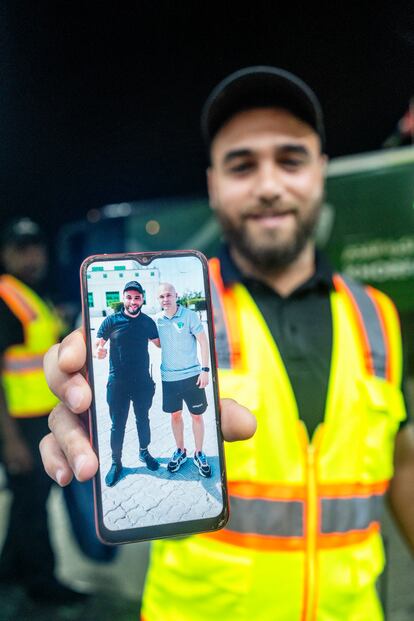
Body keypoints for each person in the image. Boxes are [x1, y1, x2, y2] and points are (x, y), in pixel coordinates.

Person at [39, 66, 414, 621]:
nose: (268, 184)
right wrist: (81, 411)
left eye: (291, 159)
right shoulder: (182, 300)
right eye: (242, 165)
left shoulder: (378, 316)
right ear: (213, 184)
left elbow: (400, 458)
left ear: (321, 172)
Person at [0, 218, 86, 604]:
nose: (32, 256)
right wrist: (11, 441)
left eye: (36, 246)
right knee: (33, 506)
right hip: (20, 425)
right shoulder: (6, 298)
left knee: (29, 504)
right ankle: (42, 583)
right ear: (5, 253)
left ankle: (10, 571)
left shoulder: (34, 295)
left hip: (41, 419)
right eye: (21, 248)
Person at [95, 280, 161, 487]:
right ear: (123, 298)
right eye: (129, 297)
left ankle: (144, 452)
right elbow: (99, 343)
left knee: (143, 419)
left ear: (142, 299)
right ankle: (116, 463)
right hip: (118, 384)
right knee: (117, 425)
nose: (133, 301)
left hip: (142, 382)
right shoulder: (111, 321)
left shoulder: (148, 322)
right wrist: (99, 351)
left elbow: (159, 343)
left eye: (137, 297)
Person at [156, 282, 211, 477]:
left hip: (192, 376)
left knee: (196, 416)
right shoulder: (158, 320)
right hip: (169, 378)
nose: (166, 299)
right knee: (175, 415)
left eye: (169, 295)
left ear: (176, 295)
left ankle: (199, 453)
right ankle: (180, 451)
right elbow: (158, 344)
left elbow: (204, 342)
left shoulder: (189, 316)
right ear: (158, 299)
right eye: (162, 296)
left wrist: (205, 370)